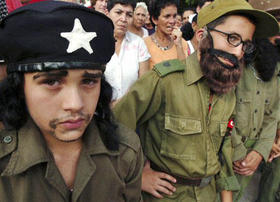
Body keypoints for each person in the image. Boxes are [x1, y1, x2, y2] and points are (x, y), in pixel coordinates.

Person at [113, 0, 278, 201]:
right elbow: (114, 130)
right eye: (232, 38)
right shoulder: (164, 81)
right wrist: (139, 175)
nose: (238, 52)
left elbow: (224, 153)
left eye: (246, 44)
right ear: (202, 36)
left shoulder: (227, 94)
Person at [0, 1, 143, 201]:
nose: (75, 104)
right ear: (19, 87)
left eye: (89, 81)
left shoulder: (125, 151)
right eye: (52, 81)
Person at [105, 0, 150, 104]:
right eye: (118, 13)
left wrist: (119, 104)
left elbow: (143, 83)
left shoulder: (138, 43)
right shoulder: (96, 41)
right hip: (100, 113)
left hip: (131, 109)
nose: (124, 19)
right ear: (107, 13)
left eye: (129, 15)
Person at [144, 0, 188, 69]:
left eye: (174, 16)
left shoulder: (182, 43)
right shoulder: (144, 45)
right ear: (154, 19)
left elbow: (186, 72)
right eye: (167, 16)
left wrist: (179, 46)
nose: (172, 21)